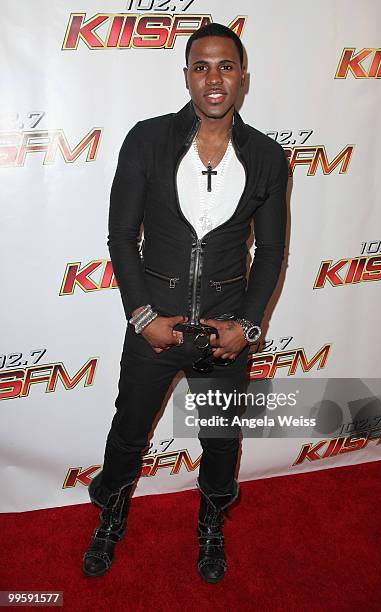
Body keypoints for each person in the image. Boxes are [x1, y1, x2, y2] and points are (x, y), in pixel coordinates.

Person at [82, 22, 288, 583]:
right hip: (155, 325)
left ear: (242, 77)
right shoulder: (147, 140)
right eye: (202, 66)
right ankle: (112, 512)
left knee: (222, 440)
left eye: (226, 66)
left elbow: (270, 251)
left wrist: (247, 324)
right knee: (129, 430)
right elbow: (122, 237)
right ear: (187, 77)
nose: (214, 78)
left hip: (225, 333)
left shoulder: (269, 157)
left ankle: (211, 525)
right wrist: (143, 316)